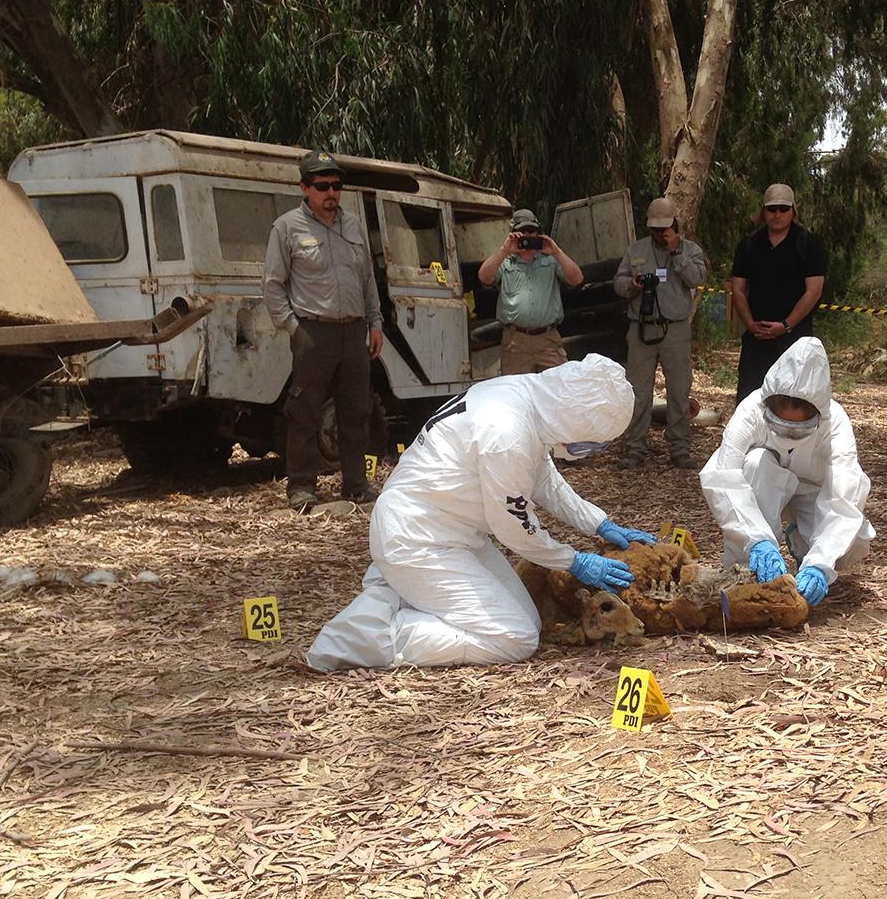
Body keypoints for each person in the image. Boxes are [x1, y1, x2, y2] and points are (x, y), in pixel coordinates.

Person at [306, 354, 659, 670]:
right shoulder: (507, 431)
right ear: (576, 419)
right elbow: (513, 527)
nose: (587, 450)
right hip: (416, 539)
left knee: (529, 620)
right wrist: (574, 561)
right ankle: (374, 636)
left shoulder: (526, 398)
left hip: (451, 533)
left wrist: (598, 522)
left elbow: (543, 481)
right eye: (590, 442)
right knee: (515, 637)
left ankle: (400, 592)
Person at [700, 337, 874, 609]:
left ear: (819, 414)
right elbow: (724, 477)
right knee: (756, 462)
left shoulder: (837, 423)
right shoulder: (749, 410)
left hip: (813, 492)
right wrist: (755, 540)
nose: (790, 436)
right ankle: (749, 571)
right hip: (763, 483)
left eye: (798, 429)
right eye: (783, 427)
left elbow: (844, 497)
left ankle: (802, 545)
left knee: (849, 544)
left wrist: (820, 564)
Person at [262, 149, 385, 513]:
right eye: (322, 186)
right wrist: (295, 329)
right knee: (306, 412)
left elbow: (367, 281)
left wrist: (375, 323)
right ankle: (302, 487)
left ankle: (356, 485)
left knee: (356, 410)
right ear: (305, 187)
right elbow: (273, 285)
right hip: (313, 332)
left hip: (354, 332)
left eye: (336, 186)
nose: (331, 192)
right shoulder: (287, 228)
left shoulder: (353, 226)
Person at [613, 196, 710, 470]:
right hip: (641, 328)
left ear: (674, 225)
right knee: (637, 392)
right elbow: (618, 284)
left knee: (679, 391)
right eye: (654, 229)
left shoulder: (689, 250)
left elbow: (697, 279)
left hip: (675, 329)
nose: (658, 234)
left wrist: (676, 251)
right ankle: (635, 448)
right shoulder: (636, 250)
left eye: (664, 228)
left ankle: (679, 448)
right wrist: (631, 284)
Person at [729, 183, 828, 402]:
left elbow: (813, 291)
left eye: (783, 208)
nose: (777, 214)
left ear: (793, 210)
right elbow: (738, 288)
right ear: (763, 211)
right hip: (756, 339)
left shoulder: (810, 244)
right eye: (772, 208)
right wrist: (750, 324)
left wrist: (786, 325)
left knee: (793, 402)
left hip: (796, 340)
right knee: (750, 401)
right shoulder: (748, 244)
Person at [477, 208, 585, 375]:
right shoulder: (505, 262)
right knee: (517, 394)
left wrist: (556, 251)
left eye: (532, 231)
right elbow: (484, 277)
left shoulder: (551, 260)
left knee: (558, 390)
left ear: (539, 233)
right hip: (515, 342)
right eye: (522, 231)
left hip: (548, 339)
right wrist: (504, 250)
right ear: (513, 233)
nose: (528, 235)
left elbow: (577, 279)